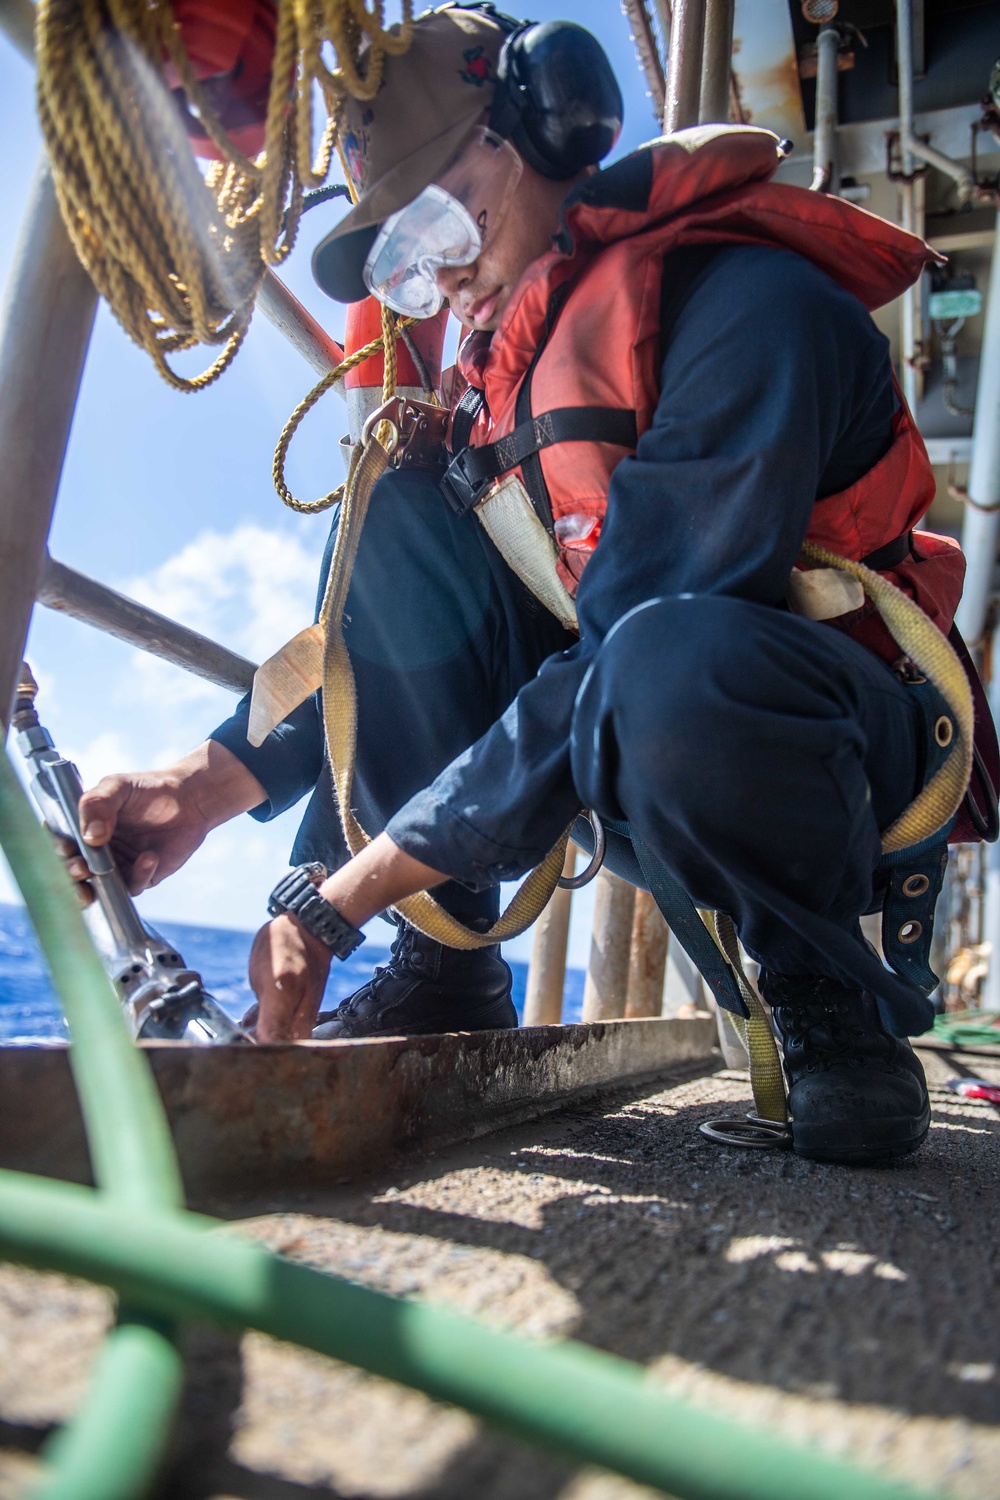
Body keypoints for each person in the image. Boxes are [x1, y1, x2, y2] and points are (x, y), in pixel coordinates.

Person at [68, 2, 996, 1165]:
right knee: (406, 509)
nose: (436, 281)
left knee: (670, 661)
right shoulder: (504, 398)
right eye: (404, 263)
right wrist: (206, 782)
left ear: (549, 129)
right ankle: (445, 965)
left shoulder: (752, 309)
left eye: (442, 225)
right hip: (638, 734)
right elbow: (400, 639)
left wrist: (338, 896)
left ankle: (825, 998)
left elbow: (640, 642)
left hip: (840, 751)